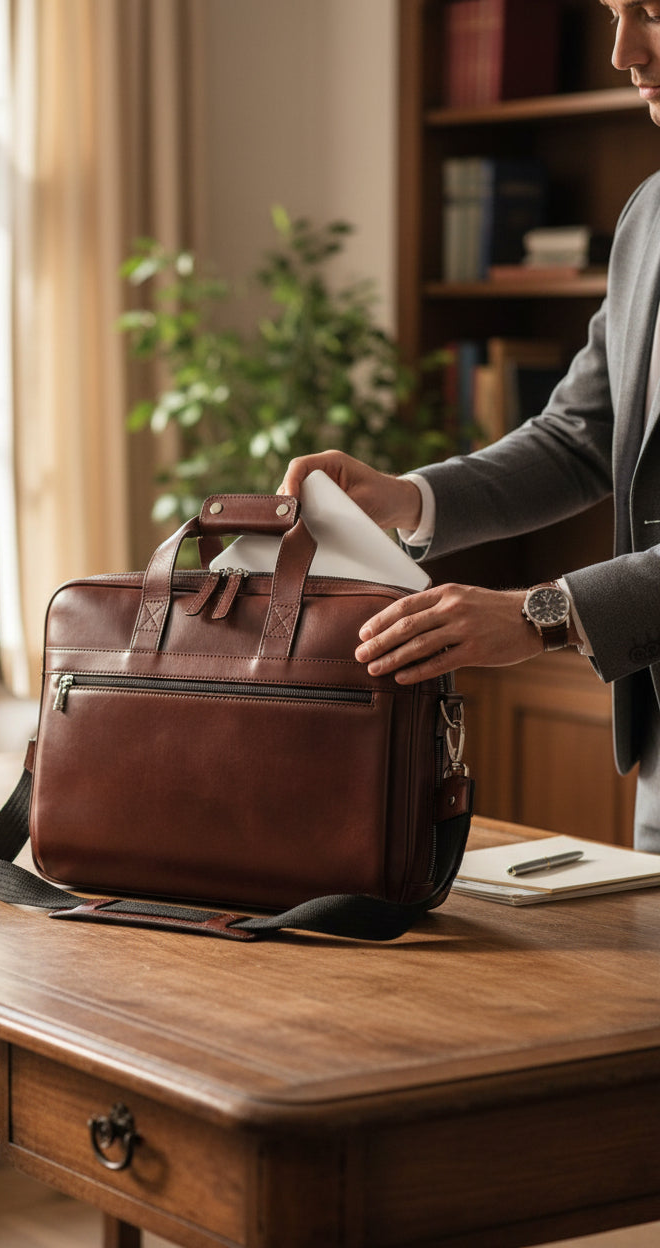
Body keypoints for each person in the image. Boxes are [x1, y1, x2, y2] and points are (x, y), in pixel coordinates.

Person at [279, 0, 660, 853]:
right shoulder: (650, 217)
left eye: (654, 14)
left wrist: (541, 614)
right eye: (614, 13)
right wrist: (405, 498)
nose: (622, 52)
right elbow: (581, 436)